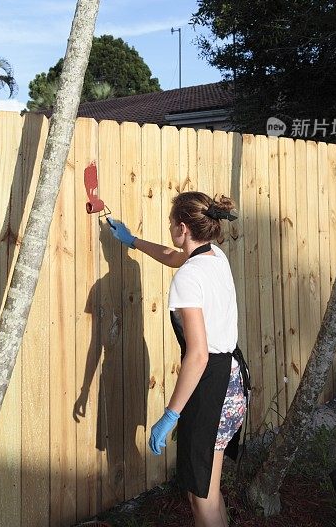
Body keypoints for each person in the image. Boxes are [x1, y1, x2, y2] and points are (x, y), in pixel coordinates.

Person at [107, 192, 250, 527]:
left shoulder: (188, 277)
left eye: (171, 222)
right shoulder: (214, 256)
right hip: (233, 381)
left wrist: (170, 414)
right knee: (207, 492)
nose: (169, 226)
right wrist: (133, 242)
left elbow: (198, 354)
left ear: (183, 228)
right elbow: (174, 256)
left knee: (201, 501)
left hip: (212, 387)